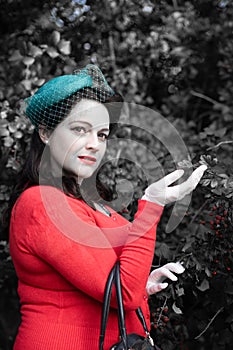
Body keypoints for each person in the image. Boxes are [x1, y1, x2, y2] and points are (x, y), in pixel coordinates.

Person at [7, 64, 206, 349]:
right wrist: (152, 204)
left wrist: (143, 284)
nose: (94, 144)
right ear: (46, 133)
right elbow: (121, 294)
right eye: (80, 129)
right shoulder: (40, 203)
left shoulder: (94, 206)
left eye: (101, 134)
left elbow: (115, 281)